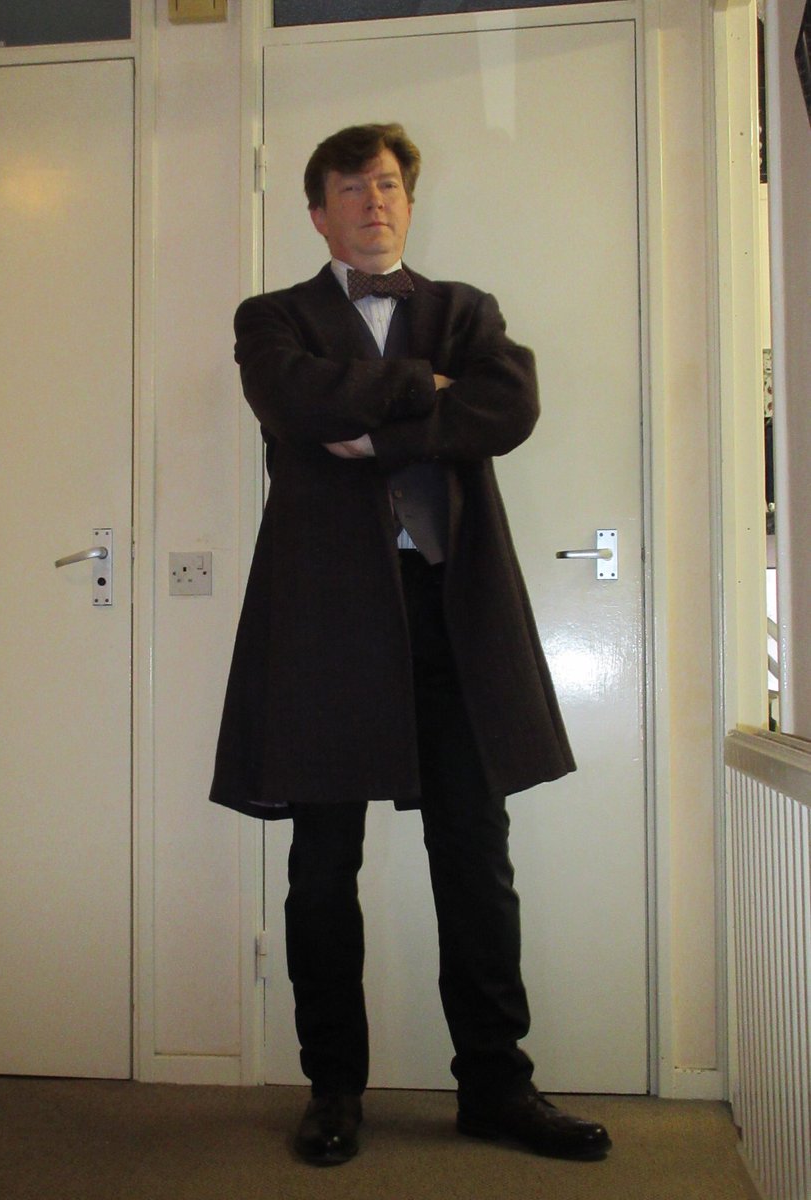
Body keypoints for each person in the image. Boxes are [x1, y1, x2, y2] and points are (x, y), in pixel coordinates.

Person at [210, 123, 611, 1166]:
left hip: (451, 614)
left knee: (475, 856)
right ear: (318, 213)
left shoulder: (465, 311)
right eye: (350, 188)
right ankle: (333, 1089)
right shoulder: (272, 318)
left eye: (387, 185)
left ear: (409, 201)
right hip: (324, 622)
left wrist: (378, 427)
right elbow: (292, 399)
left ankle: (497, 1087)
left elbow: (509, 405)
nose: (373, 202)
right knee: (321, 866)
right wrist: (428, 391)